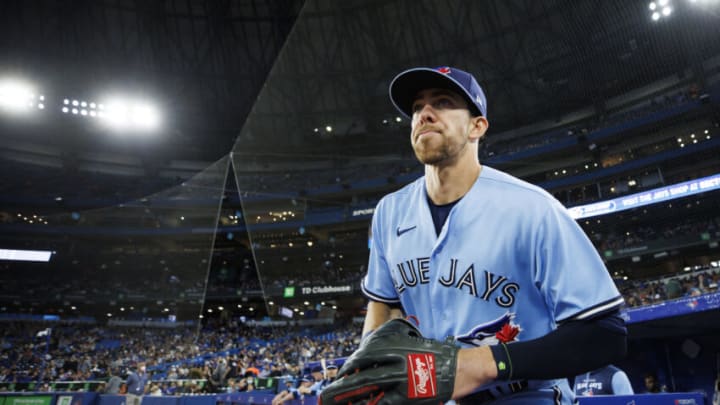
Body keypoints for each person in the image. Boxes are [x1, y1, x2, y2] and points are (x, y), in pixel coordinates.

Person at [359, 66, 627, 404]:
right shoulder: (389, 212)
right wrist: (370, 367)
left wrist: (482, 363)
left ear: (477, 125)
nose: (424, 114)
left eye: (442, 102)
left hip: (528, 396)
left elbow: (606, 335)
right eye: (416, 107)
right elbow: (385, 304)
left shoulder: (532, 208)